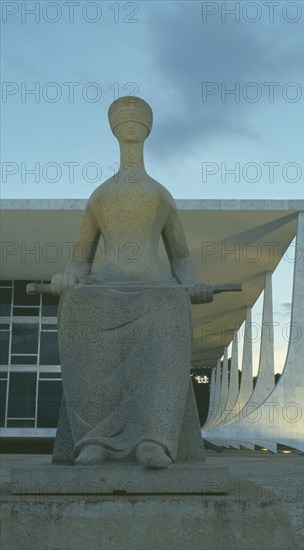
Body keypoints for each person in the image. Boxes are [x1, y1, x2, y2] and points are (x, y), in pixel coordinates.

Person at [51, 96, 213, 468]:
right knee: (77, 306)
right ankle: (95, 439)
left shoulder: (160, 195)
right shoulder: (100, 196)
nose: (129, 122)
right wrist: (69, 276)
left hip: (156, 287)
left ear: (149, 128)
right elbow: (80, 259)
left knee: (171, 306)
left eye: (137, 117)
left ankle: (154, 439)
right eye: (121, 117)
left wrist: (192, 284)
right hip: (106, 285)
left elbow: (182, 258)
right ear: (112, 128)